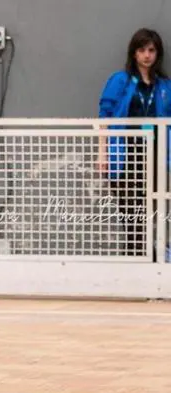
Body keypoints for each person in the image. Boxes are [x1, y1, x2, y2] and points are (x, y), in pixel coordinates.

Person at [98, 28, 171, 257]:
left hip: (156, 154)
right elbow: (104, 117)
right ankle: (135, 259)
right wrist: (103, 154)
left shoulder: (164, 86)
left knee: (153, 208)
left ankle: (149, 258)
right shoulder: (120, 80)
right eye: (142, 50)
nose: (147, 55)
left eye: (151, 50)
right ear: (134, 53)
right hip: (126, 154)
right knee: (130, 211)